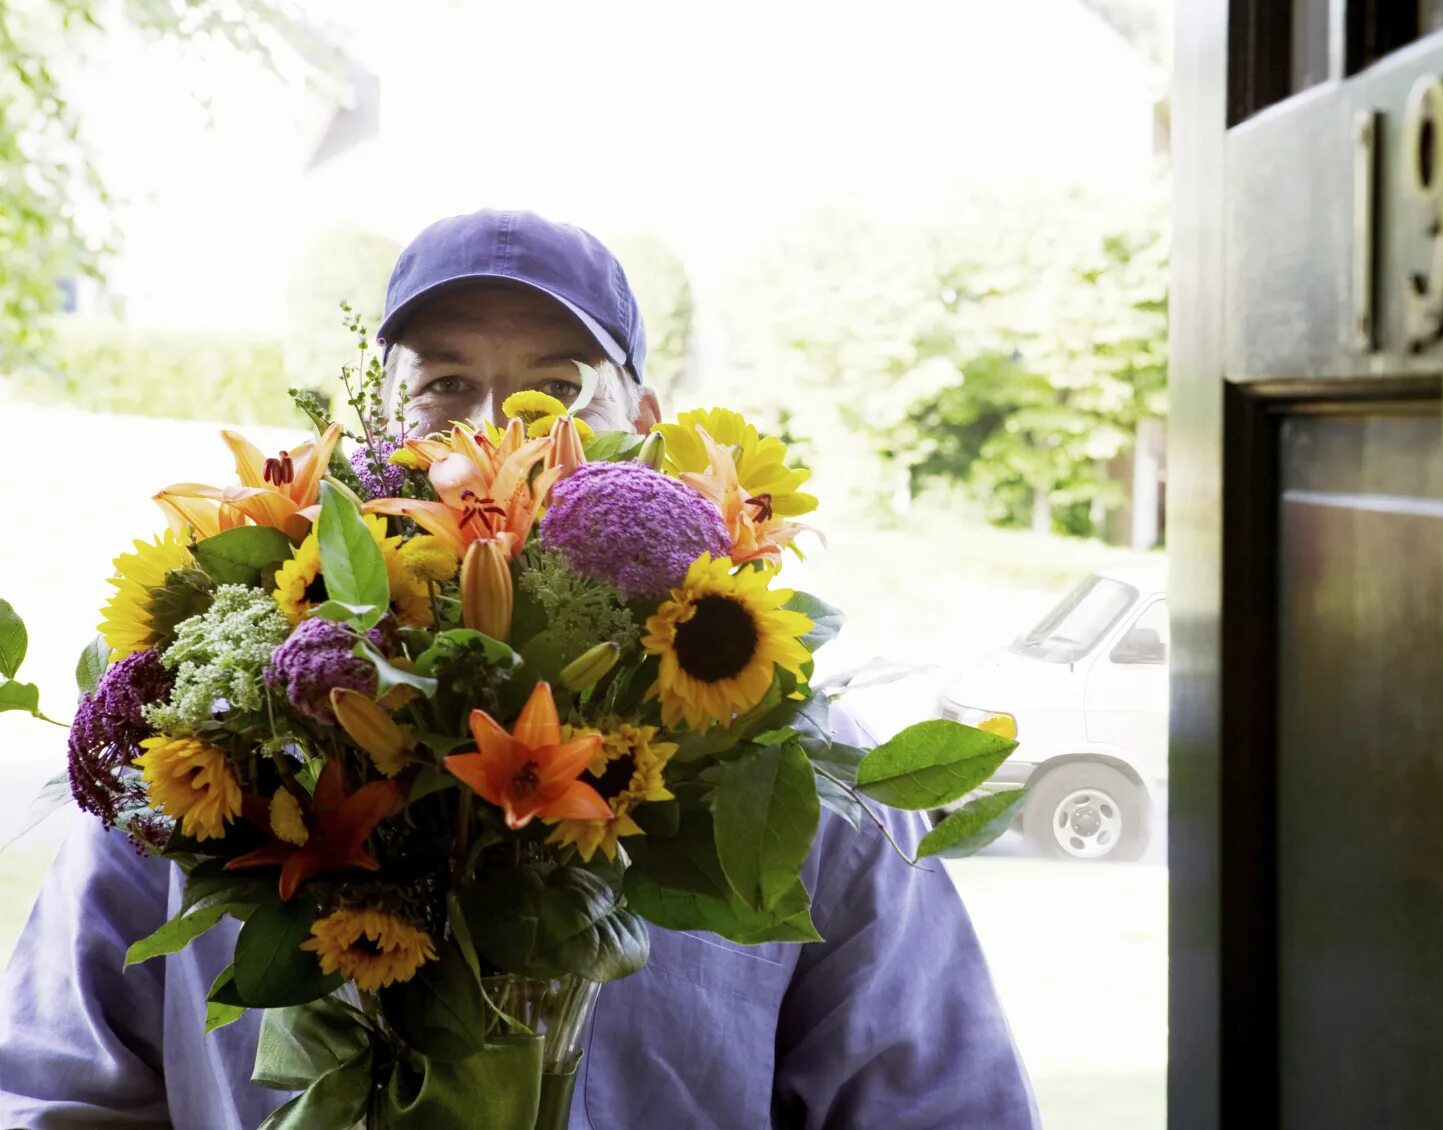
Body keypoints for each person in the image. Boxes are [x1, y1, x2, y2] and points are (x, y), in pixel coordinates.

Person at [0, 210, 1040, 1128]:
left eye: (559, 386)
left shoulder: (792, 767)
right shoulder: (197, 753)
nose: (499, 428)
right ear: (366, 434)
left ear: (646, 424)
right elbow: (55, 1090)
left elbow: (942, 1100)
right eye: (444, 384)